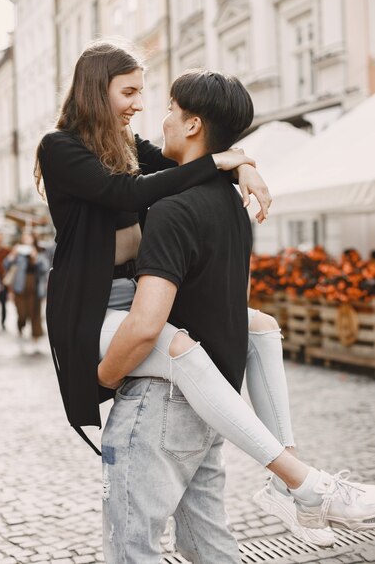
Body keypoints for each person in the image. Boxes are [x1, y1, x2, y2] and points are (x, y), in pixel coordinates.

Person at [97, 69, 375, 561]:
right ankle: (294, 482)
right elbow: (225, 305)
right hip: (209, 403)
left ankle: (299, 484)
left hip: (160, 403)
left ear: (192, 125)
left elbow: (145, 324)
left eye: (170, 110)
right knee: (211, 546)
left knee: (131, 548)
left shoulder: (170, 208)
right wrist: (241, 164)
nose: (162, 121)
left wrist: (103, 377)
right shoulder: (232, 201)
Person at [35, 39, 268, 451]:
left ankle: (284, 455)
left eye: (141, 91)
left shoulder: (127, 142)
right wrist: (221, 162)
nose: (139, 104)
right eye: (129, 91)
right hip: (97, 299)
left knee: (261, 328)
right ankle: (284, 467)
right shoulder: (60, 147)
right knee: (183, 351)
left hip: (146, 292)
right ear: (95, 90)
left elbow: (178, 167)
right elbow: (125, 193)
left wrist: (244, 165)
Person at [3, 231, 49, 350]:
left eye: (28, 238)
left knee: (35, 313)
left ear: (33, 239)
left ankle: (35, 335)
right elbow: (6, 265)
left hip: (35, 287)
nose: (26, 240)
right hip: (20, 287)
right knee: (22, 312)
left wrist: (35, 256)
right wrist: (12, 255)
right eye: (24, 238)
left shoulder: (39, 251)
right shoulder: (18, 252)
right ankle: (20, 325)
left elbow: (45, 267)